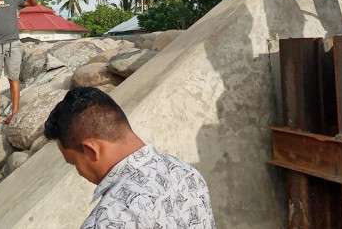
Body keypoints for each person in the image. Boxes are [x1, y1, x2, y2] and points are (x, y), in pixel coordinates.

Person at [44, 87, 216, 228]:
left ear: (91, 150)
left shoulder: (107, 220)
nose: (79, 172)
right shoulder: (185, 171)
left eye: (74, 162)